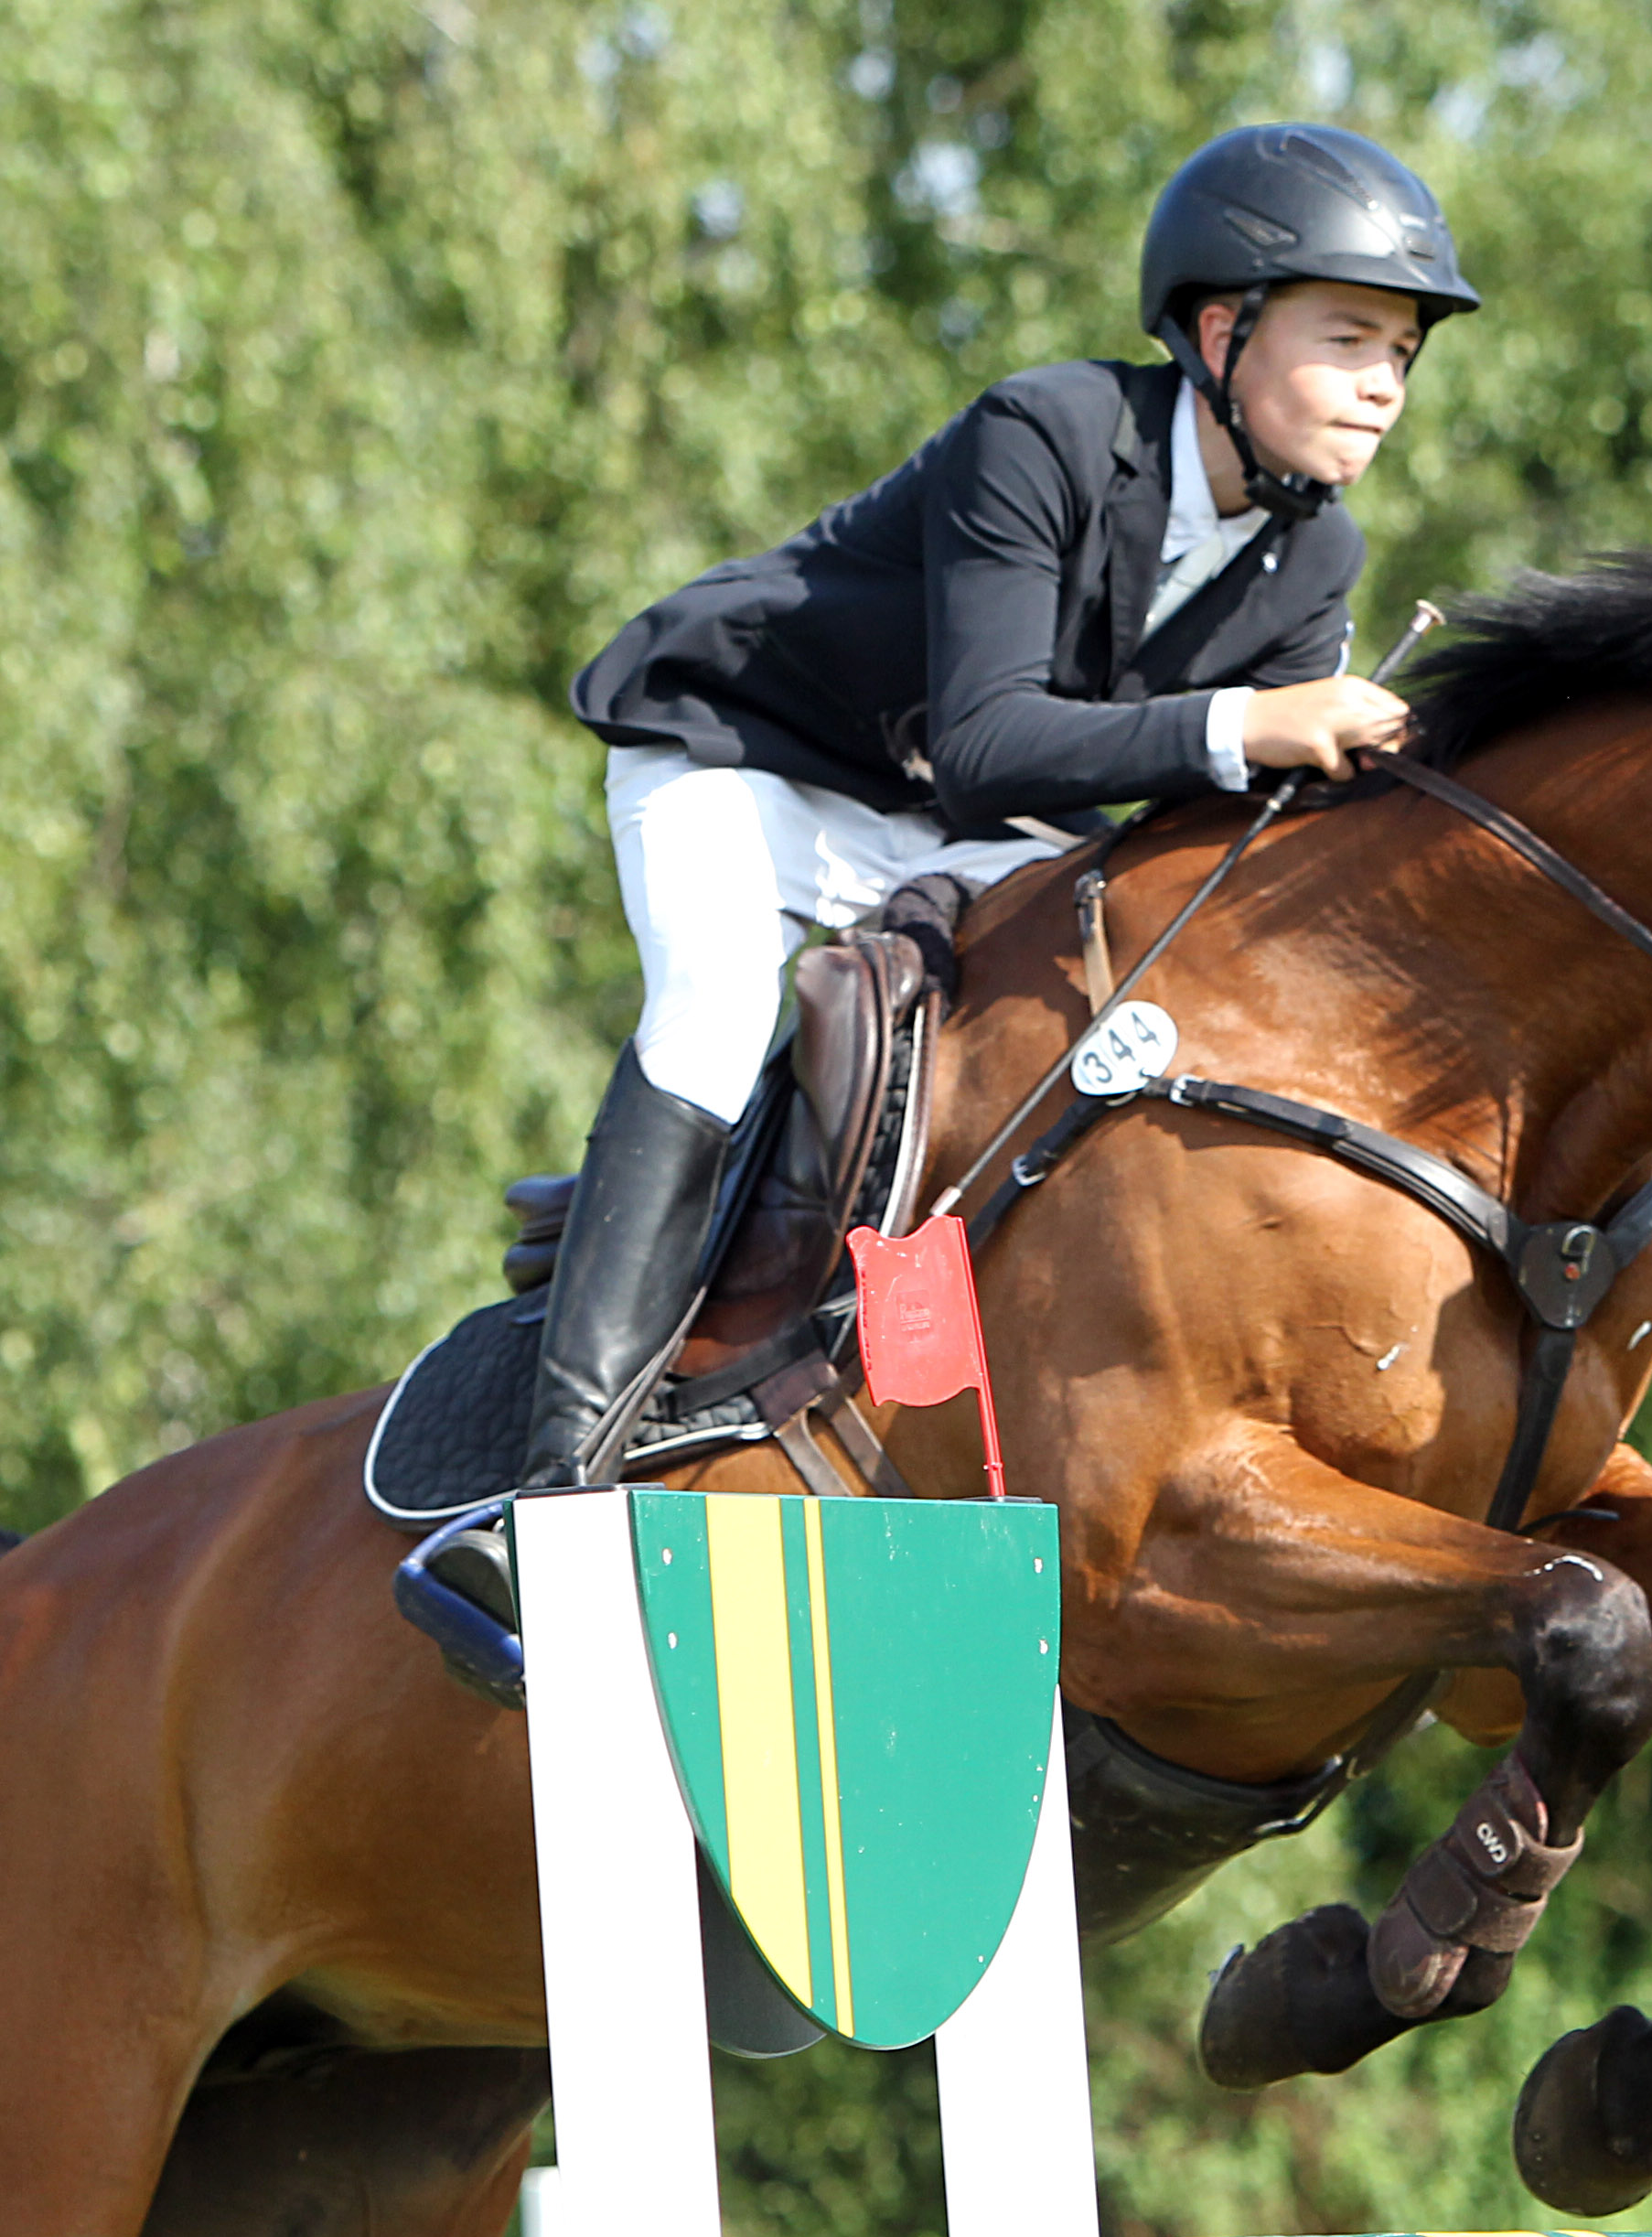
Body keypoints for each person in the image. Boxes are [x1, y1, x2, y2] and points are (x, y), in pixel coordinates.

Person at [520, 120, 1481, 1490]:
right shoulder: (1049, 430)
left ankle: (917, 1422)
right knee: (719, 1007)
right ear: (1221, 333)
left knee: (1030, 1051)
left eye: (1401, 352)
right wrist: (1250, 723)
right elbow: (988, 741)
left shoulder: (1316, 551)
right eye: (1347, 338)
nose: (1383, 385)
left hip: (961, 834)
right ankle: (559, 1469)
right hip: (749, 760)